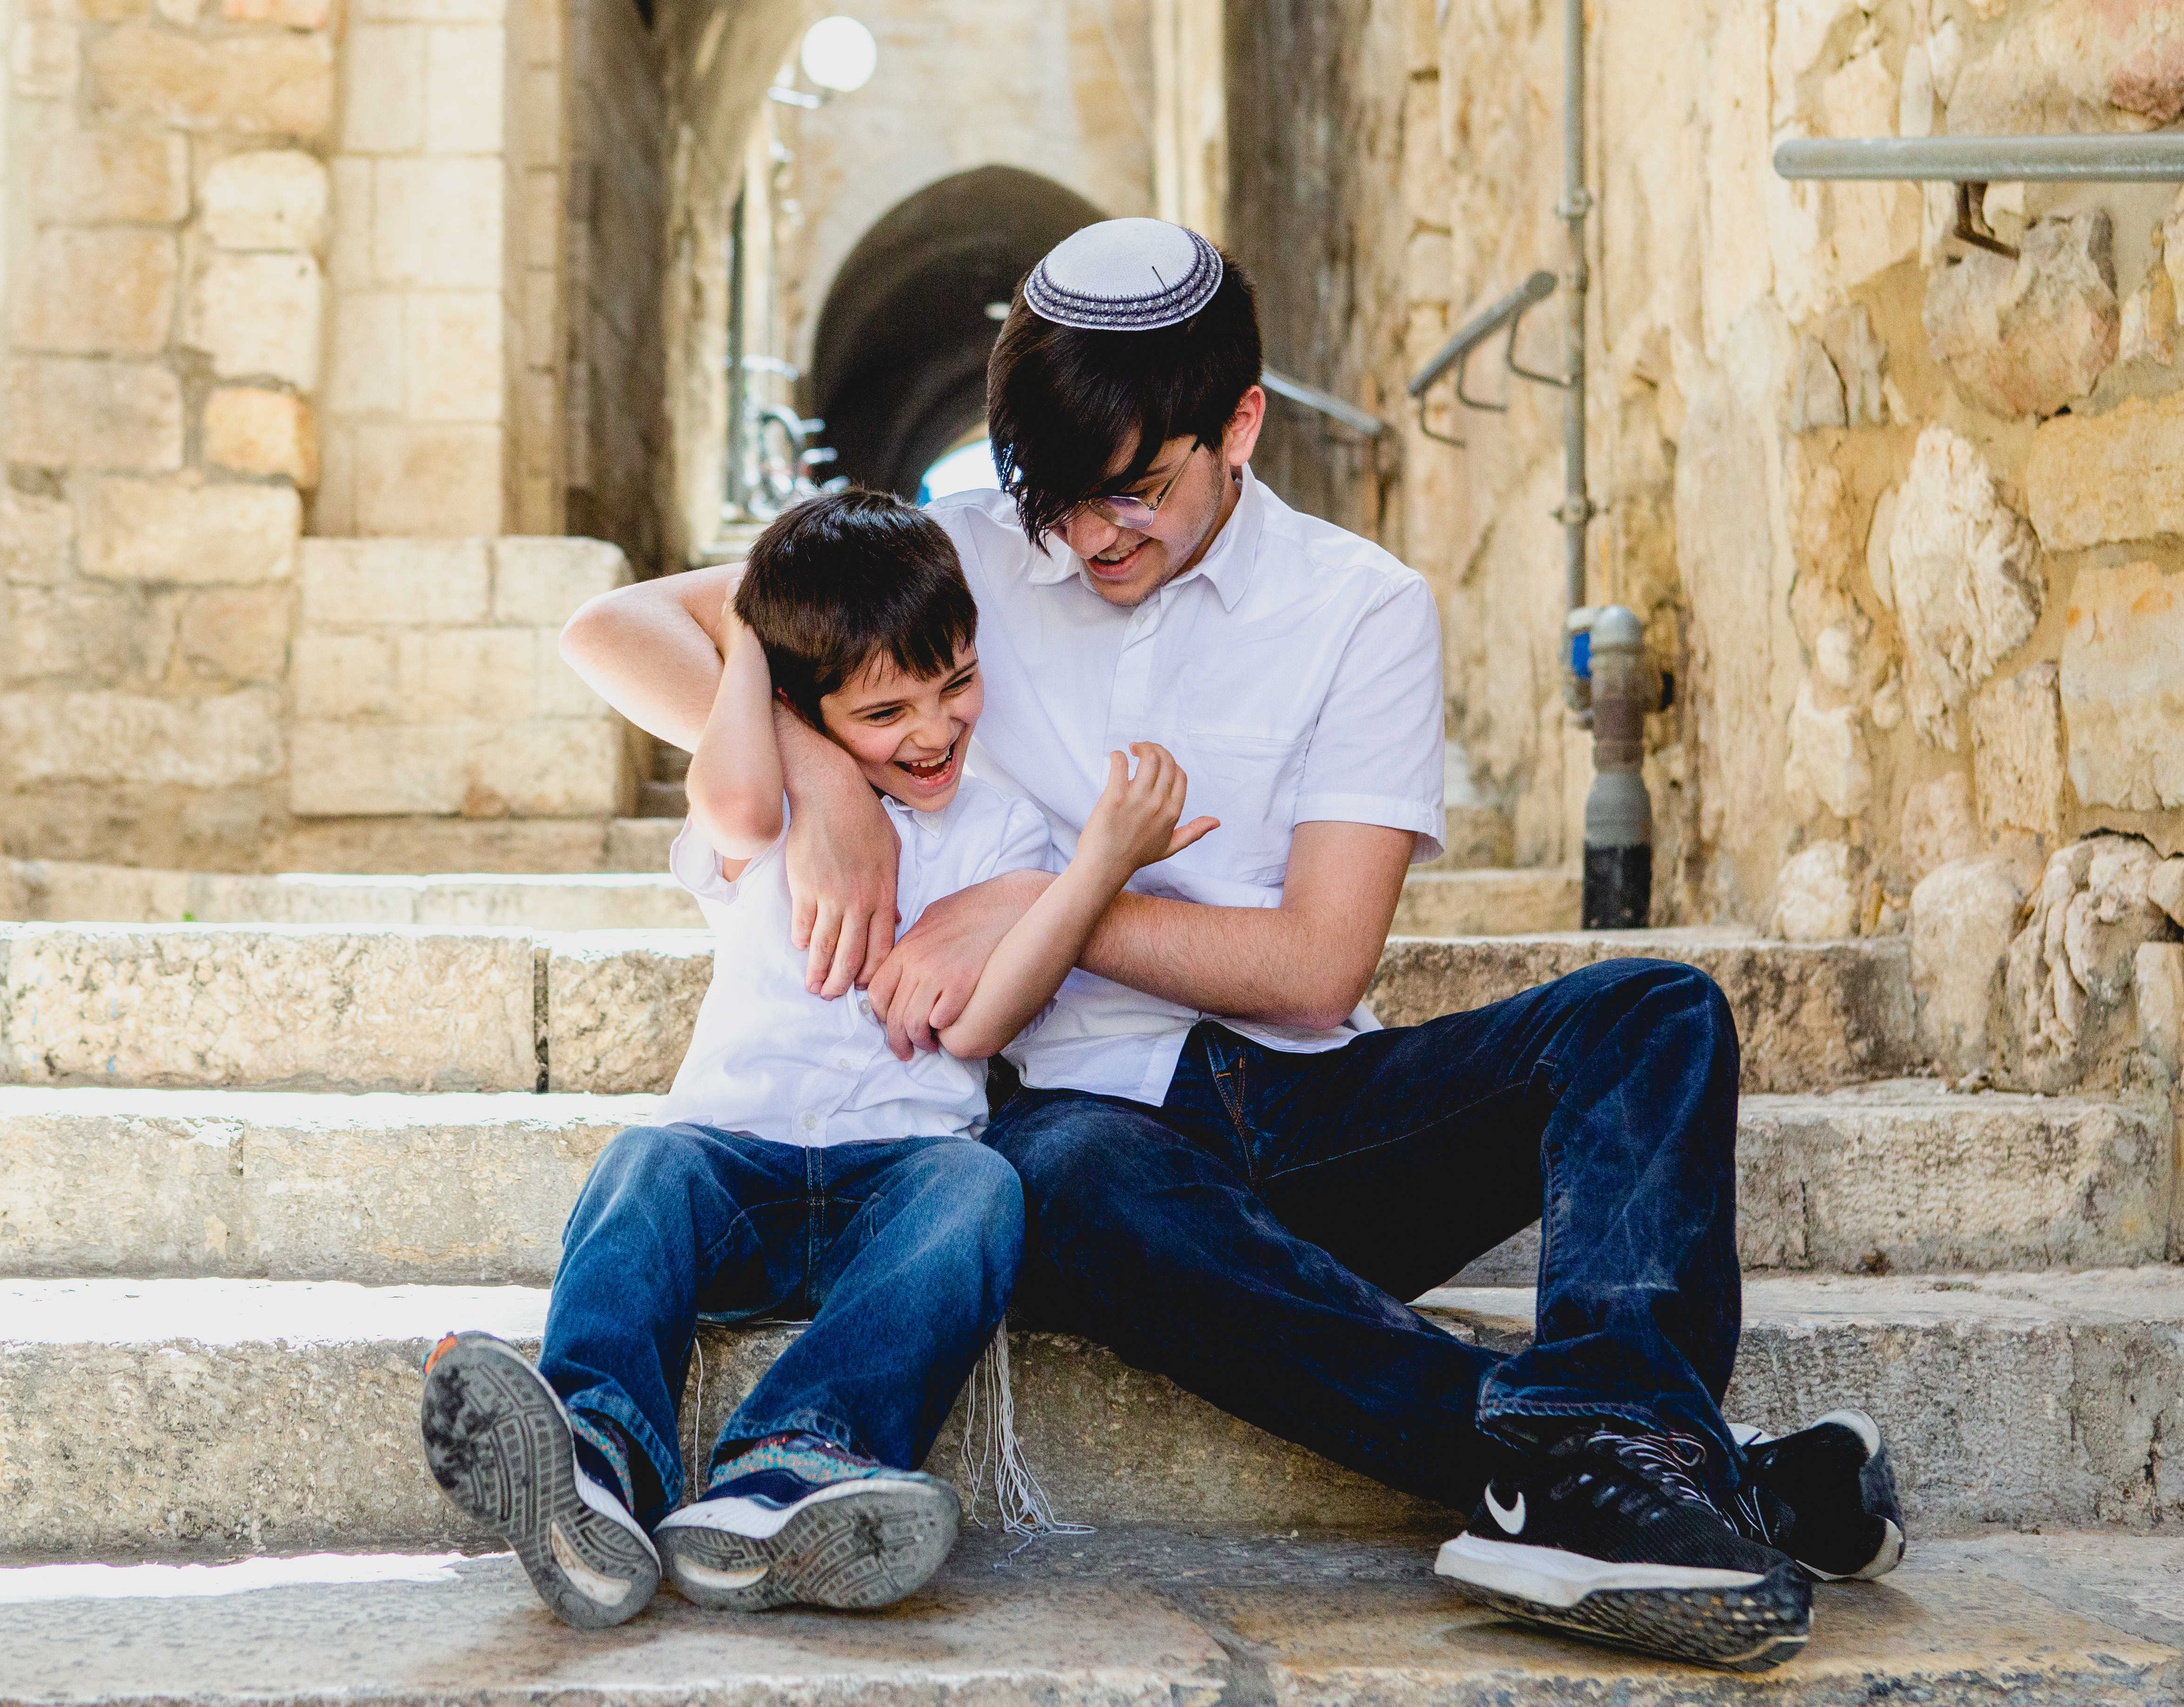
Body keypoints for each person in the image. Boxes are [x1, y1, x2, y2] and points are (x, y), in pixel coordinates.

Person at [558, 218, 1903, 1670]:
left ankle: (1607, 1450)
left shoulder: (1361, 607)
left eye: (1135, 490)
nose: (1089, 535)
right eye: (1059, 500)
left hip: (1311, 1109)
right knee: (1049, 1170)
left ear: (1241, 425)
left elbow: (1318, 963)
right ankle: (1633, 1467)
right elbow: (629, 625)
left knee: (1658, 1013)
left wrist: (1047, 901)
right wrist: (826, 782)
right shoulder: (953, 560)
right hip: (1081, 1131)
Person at [423, 489, 1213, 1630]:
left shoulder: (997, 826)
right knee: (642, 1168)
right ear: (800, 705)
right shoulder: (771, 800)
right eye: (886, 709)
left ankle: (792, 1465)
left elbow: (984, 1026)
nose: (935, 730)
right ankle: (592, 1457)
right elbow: (740, 795)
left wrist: (1092, 867)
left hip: (897, 1175)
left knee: (983, 1190)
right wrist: (753, 635)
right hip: (729, 1162)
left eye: (956, 685)